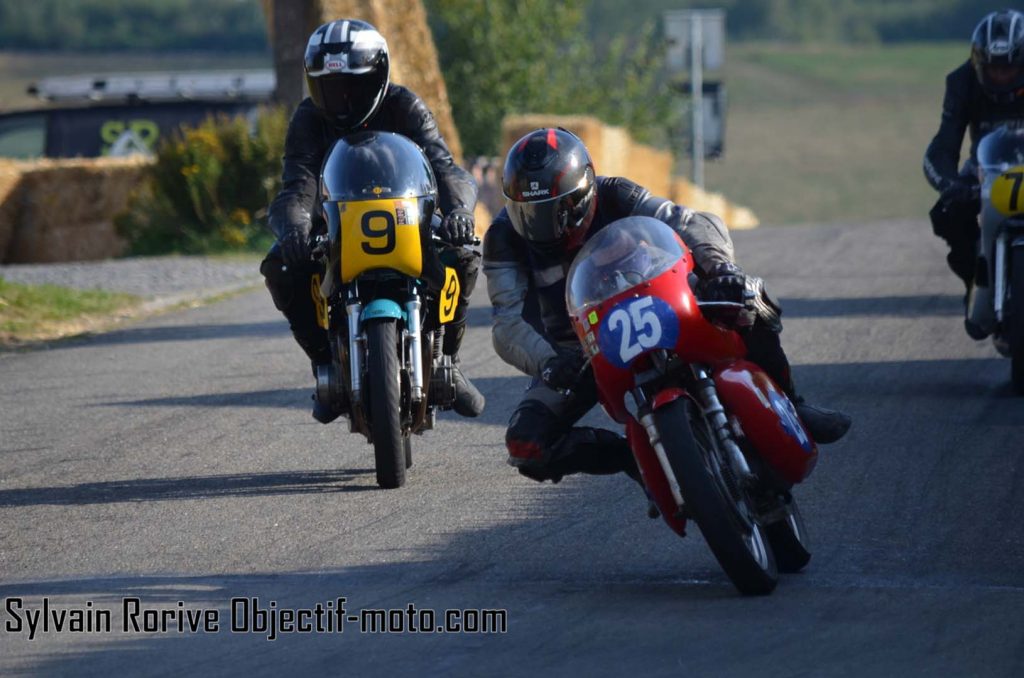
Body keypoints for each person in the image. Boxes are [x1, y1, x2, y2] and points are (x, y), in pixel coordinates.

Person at [483, 127, 851, 489]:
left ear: (582, 194)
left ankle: (793, 402)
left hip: (655, 301)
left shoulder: (616, 194)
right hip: (575, 353)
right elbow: (508, 323)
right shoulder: (502, 238)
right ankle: (635, 459)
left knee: (746, 296)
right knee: (526, 444)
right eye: (526, 213)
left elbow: (691, 222)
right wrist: (547, 362)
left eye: (552, 212)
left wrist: (721, 268)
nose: (537, 228)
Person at [261, 19, 484, 422]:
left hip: (409, 216)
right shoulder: (309, 118)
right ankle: (325, 364)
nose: (340, 98)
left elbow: (446, 167)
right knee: (280, 265)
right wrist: (294, 228)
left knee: (463, 254)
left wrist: (460, 213)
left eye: (353, 86)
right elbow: (298, 184)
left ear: (378, 75)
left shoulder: (405, 106)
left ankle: (447, 357)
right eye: (328, 88)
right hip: (336, 223)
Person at [924, 9, 1024, 337]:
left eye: (1008, 68)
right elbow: (943, 146)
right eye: (993, 69)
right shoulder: (962, 81)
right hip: (986, 168)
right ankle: (975, 280)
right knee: (948, 213)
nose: (1001, 77)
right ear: (978, 63)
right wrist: (951, 185)